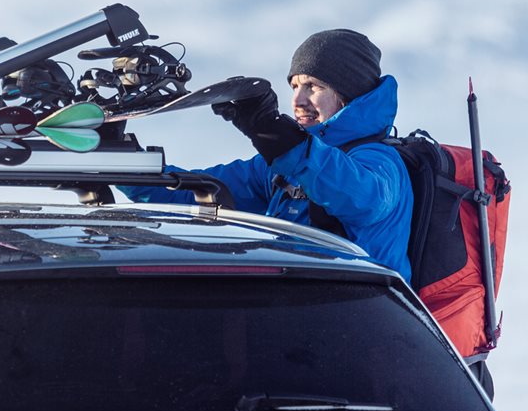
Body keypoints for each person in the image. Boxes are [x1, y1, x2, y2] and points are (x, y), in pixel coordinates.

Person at [122, 29, 413, 282]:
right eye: (295, 86)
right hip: (297, 317)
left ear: (347, 94)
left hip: (364, 326)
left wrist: (274, 134)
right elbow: (195, 192)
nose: (298, 101)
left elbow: (358, 195)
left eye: (313, 86)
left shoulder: (380, 162)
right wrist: (122, 162)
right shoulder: (280, 167)